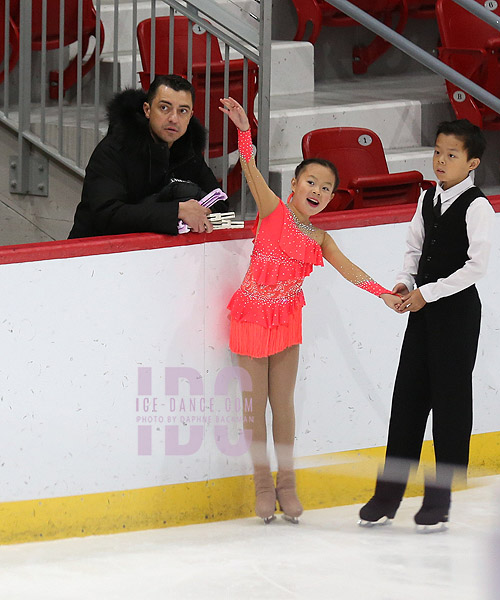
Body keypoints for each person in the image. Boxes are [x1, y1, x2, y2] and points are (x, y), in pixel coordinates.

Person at [219, 96, 401, 524]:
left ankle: (288, 484)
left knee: (283, 404)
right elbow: (249, 168)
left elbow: (349, 270)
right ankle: (262, 484)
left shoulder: (320, 238)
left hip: (286, 319)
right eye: (311, 182)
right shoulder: (272, 211)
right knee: (255, 403)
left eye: (326, 188)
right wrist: (245, 130)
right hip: (250, 317)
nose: (318, 191)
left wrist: (383, 294)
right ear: (294, 185)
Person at [359, 119, 495, 532]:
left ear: (471, 162)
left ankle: (439, 500)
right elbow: (414, 247)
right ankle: (387, 497)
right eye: (437, 152)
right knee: (408, 402)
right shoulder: (426, 199)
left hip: (456, 314)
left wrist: (428, 293)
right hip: (422, 312)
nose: (441, 161)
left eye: (451, 155)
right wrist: (406, 282)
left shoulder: (478, 207)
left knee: (451, 407)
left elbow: (477, 267)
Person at [69, 74, 228, 239]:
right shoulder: (114, 150)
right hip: (93, 254)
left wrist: (192, 206)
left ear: (190, 116)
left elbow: (220, 203)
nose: (174, 119)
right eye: (164, 108)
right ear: (147, 110)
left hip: (158, 255)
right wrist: (176, 210)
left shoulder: (187, 150)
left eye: (182, 111)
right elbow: (107, 214)